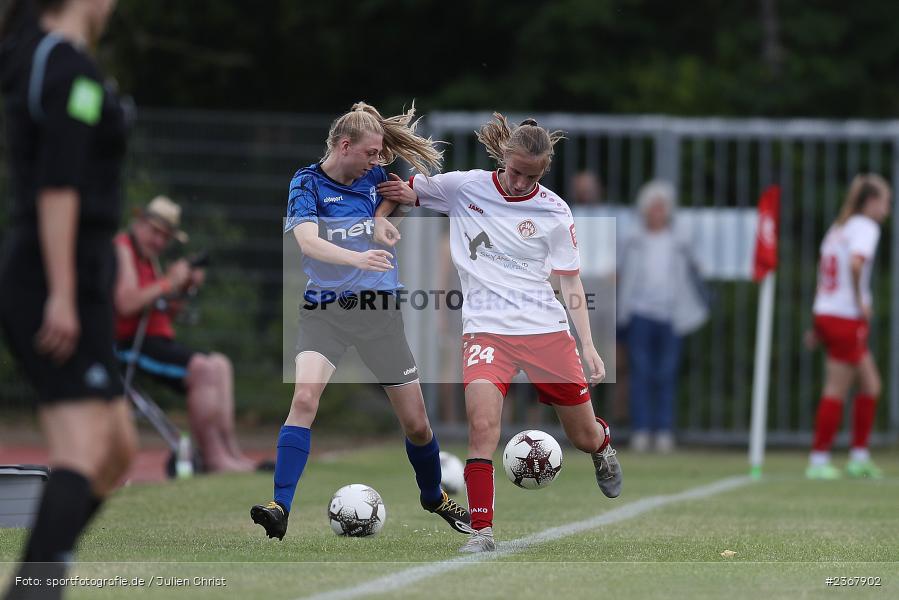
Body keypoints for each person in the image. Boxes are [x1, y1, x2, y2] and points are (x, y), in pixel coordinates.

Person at [375, 113, 622, 554]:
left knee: (582, 436)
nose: (519, 183)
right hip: (487, 332)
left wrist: (588, 346)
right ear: (503, 157)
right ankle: (482, 531)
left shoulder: (554, 210)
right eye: (514, 172)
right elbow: (405, 191)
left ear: (543, 172)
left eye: (531, 176)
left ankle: (603, 447)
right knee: (483, 427)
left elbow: (570, 282)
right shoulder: (464, 187)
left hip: (547, 331)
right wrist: (379, 202)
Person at [249, 102, 470, 541]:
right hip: (324, 312)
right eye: (371, 153)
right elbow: (309, 244)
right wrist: (362, 252)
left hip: (377, 312)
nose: (377, 161)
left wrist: (381, 220)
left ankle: (434, 496)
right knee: (304, 401)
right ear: (344, 145)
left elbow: (401, 196)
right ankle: (280, 506)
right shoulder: (306, 182)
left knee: (417, 425)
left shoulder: (374, 178)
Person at [0, 1, 135, 598]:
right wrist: (59, 294)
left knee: (116, 452)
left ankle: (34, 580)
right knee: (81, 450)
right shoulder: (63, 68)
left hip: (82, 275)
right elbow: (58, 187)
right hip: (54, 276)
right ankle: (36, 590)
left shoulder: (64, 63)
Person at [113, 195, 256, 473]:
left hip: (153, 339)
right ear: (139, 223)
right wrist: (169, 281)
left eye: (165, 237)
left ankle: (231, 453)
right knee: (202, 369)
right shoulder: (123, 249)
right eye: (155, 232)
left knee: (220, 365)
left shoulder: (149, 258)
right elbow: (127, 302)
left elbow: (166, 311)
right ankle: (213, 458)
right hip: (129, 344)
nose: (158, 242)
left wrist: (186, 286)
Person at [805, 174, 891, 480]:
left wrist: (817, 322)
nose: (887, 210)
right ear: (869, 202)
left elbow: (825, 274)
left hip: (828, 313)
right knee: (836, 389)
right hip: (845, 316)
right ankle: (818, 459)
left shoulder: (838, 227)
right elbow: (855, 265)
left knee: (871, 384)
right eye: (885, 202)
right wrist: (860, 301)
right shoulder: (865, 227)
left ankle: (858, 457)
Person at [616, 180, 708, 453]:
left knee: (666, 374)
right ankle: (642, 430)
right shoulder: (632, 239)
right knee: (641, 373)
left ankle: (664, 430)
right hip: (640, 314)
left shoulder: (679, 240)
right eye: (653, 207)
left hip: (671, 315)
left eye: (662, 208)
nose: (657, 212)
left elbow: (696, 269)